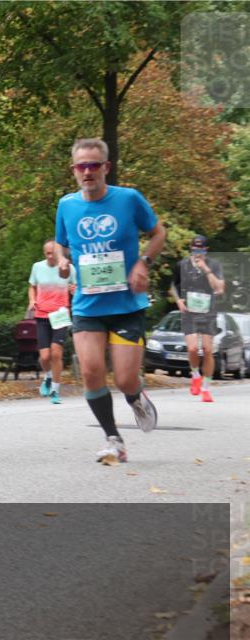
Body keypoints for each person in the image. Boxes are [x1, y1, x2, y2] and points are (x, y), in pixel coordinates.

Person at [54, 138, 167, 465]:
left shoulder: (129, 199)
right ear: (73, 170)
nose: (87, 172)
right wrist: (62, 261)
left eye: (93, 165)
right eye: (81, 166)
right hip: (88, 305)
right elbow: (61, 245)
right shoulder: (67, 205)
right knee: (90, 372)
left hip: (126, 306)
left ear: (106, 167)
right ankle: (113, 439)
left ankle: (134, 395)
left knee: (124, 379)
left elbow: (158, 233)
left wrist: (143, 262)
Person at [169, 235, 226, 402]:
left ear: (206, 250)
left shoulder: (214, 265)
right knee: (193, 349)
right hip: (190, 311)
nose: (197, 252)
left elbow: (220, 289)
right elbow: (173, 286)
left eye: (200, 250)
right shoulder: (182, 265)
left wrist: (205, 269)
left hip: (208, 312)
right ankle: (195, 375)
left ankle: (206, 388)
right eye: (194, 249)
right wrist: (178, 300)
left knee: (208, 350)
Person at [28, 240, 77, 404]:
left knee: (56, 352)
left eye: (52, 253)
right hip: (42, 314)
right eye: (47, 253)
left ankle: (55, 391)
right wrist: (32, 300)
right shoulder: (37, 267)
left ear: (58, 253)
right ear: (44, 253)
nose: (50, 256)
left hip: (61, 315)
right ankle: (47, 377)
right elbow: (31, 286)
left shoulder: (68, 268)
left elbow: (76, 288)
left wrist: (74, 291)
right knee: (45, 356)